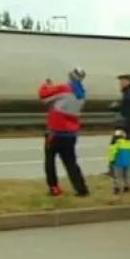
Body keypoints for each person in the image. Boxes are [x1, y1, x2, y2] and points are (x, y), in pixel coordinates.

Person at [38, 68, 90, 197]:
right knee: (71, 162)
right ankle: (81, 189)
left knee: (50, 161)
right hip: (70, 133)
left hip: (55, 132)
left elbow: (43, 96)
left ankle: (54, 188)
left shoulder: (64, 88)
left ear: (71, 77)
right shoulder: (82, 94)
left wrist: (46, 85)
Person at [107, 128, 130, 194]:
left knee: (117, 176)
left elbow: (112, 151)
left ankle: (117, 188)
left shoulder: (116, 142)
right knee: (127, 175)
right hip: (127, 162)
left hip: (118, 162)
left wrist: (111, 160)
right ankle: (127, 187)